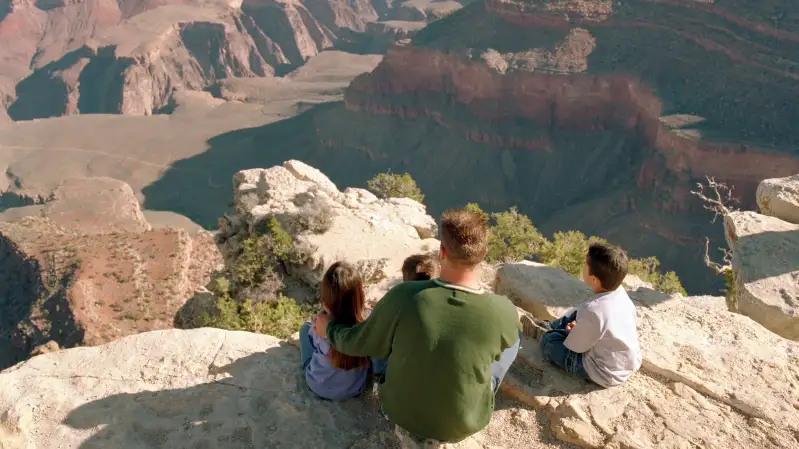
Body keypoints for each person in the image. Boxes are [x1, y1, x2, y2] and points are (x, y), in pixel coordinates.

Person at [315, 208, 522, 443]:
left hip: (399, 412)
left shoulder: (404, 296)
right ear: (484, 253)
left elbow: (357, 342)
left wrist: (329, 329)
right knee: (514, 338)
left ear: (442, 252)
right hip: (465, 423)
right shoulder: (503, 311)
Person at [525, 242, 642, 388]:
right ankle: (550, 326)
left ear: (594, 279)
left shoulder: (594, 310)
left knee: (549, 343)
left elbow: (576, 348)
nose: (583, 266)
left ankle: (544, 332)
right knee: (576, 313)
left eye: (585, 264)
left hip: (604, 371)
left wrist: (570, 331)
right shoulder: (619, 293)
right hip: (623, 360)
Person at [298, 262, 370, 401]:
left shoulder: (321, 325)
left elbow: (315, 334)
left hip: (319, 386)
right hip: (355, 387)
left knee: (305, 328)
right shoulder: (367, 322)